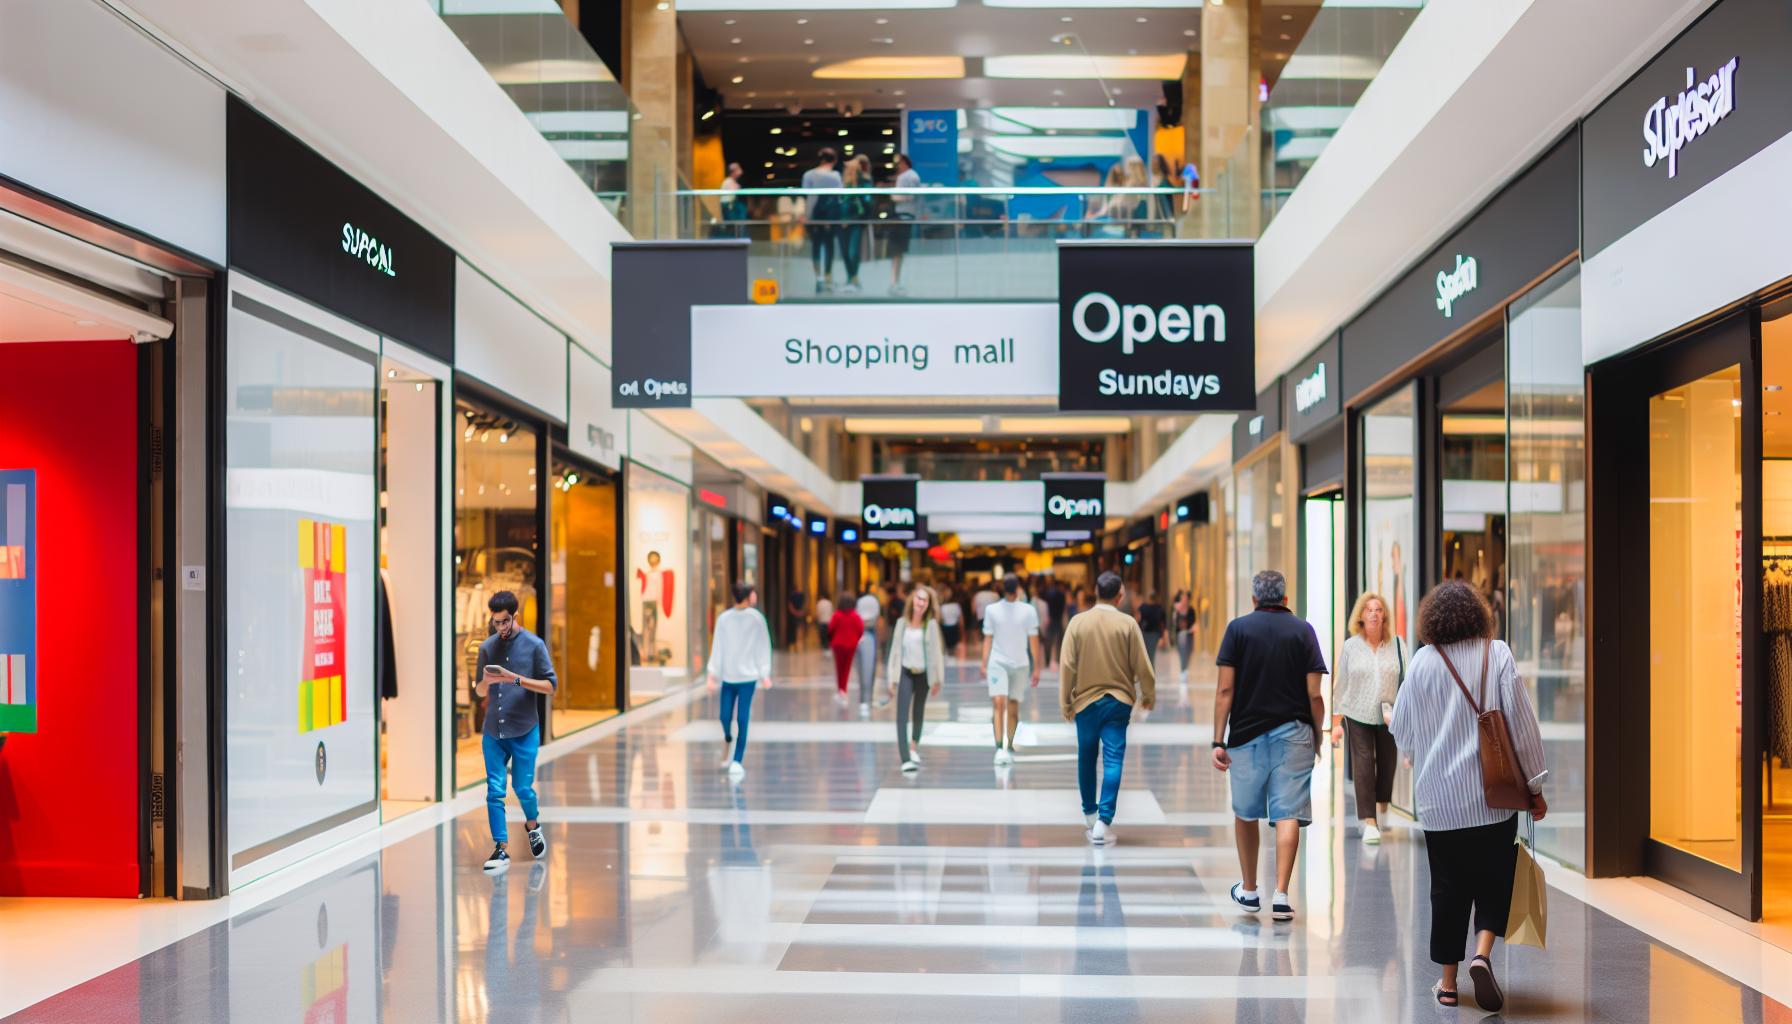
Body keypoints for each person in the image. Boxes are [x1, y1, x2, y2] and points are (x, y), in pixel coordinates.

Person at [1391, 581, 1547, 1012]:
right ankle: (1482, 955)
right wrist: (1534, 785)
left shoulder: (1423, 662)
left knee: (1447, 889)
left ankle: (1447, 984)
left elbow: (1401, 731)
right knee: (1494, 881)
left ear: (1433, 620)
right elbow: (1521, 724)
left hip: (1439, 803)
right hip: (1494, 798)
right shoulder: (1497, 654)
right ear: (1479, 614)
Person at [1211, 570, 1327, 922]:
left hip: (1246, 737)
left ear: (1254, 599)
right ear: (1286, 599)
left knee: (1246, 812)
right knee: (1287, 812)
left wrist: (1218, 739)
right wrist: (1317, 733)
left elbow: (1225, 690)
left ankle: (1249, 890)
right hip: (1294, 733)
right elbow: (1314, 693)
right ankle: (1280, 895)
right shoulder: (1304, 631)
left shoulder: (1238, 629)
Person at [1059, 572, 1155, 846]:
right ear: (1120, 595)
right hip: (1118, 702)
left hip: (1085, 702)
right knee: (1114, 759)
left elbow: (1067, 665)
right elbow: (1142, 664)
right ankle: (1104, 821)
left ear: (1094, 591)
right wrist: (1148, 695)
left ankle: (1090, 814)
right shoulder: (1127, 624)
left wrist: (1065, 702)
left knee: (1086, 757)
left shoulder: (1078, 623)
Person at [474, 591, 558, 871]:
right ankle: (500, 848)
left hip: (524, 729)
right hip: (493, 732)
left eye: (505, 621)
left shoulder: (534, 645)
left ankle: (533, 825)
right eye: (496, 622)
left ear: (515, 616)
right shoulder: (487, 647)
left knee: (522, 787)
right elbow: (479, 691)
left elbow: (550, 686)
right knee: (494, 790)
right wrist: (485, 682)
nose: (501, 628)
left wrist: (515, 680)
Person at [1330, 592, 1409, 845]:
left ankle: (1383, 803)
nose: (1373, 613)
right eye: (1368, 610)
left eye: (1378, 609)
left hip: (1389, 713)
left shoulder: (1398, 644)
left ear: (1384, 615)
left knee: (1387, 763)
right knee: (1363, 763)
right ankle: (1369, 821)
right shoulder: (1352, 646)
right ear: (1361, 616)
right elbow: (1341, 684)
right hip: (1357, 712)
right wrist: (1335, 722)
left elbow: (1407, 682)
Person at [706, 582, 774, 780]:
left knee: (743, 718)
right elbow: (718, 646)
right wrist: (713, 674)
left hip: (748, 677)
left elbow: (763, 646)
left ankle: (737, 759)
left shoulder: (756, 619)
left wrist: (764, 673)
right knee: (724, 716)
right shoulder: (724, 619)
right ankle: (728, 737)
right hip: (728, 675)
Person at [983, 575, 1043, 766]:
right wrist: (984, 663)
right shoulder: (992, 610)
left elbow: (1034, 639)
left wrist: (1037, 667)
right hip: (998, 663)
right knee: (999, 703)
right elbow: (988, 637)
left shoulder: (1028, 611)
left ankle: (1007, 745)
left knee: (1013, 705)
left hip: (1020, 664)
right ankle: (999, 746)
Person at [886, 585, 944, 773]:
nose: (921, 603)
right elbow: (894, 651)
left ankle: (913, 747)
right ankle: (905, 758)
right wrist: (891, 678)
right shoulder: (902, 623)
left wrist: (938, 679)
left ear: (928, 605)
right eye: (918, 599)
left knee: (918, 711)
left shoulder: (931, 625)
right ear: (912, 600)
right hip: (905, 672)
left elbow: (937, 653)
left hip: (924, 674)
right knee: (902, 714)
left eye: (925, 600)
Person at [801, 148, 844, 294]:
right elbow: (840, 197)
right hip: (831, 215)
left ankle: (818, 278)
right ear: (834, 160)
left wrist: (806, 215)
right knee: (829, 245)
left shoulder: (809, 175)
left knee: (816, 245)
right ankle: (827, 277)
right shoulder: (835, 176)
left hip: (814, 214)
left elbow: (806, 197)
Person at [838, 154, 872, 294]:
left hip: (856, 220)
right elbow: (840, 201)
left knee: (853, 251)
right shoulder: (843, 183)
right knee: (845, 252)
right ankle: (850, 278)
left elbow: (866, 200)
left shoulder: (863, 180)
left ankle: (854, 278)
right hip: (842, 220)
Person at [827, 591, 865, 711]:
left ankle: (840, 690)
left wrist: (832, 638)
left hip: (838, 645)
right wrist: (856, 638)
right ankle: (844, 690)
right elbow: (861, 628)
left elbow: (831, 628)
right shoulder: (855, 616)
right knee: (847, 668)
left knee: (839, 668)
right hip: (851, 645)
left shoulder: (837, 615)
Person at [888, 153, 920, 296]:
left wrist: (894, 196)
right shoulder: (911, 176)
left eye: (899, 163)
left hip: (903, 216)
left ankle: (896, 282)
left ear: (904, 163)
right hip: (906, 216)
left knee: (897, 250)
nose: (897, 166)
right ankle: (895, 281)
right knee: (898, 251)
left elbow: (910, 196)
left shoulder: (907, 176)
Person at [855, 588, 885, 709]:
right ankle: (867, 698)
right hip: (866, 635)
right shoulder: (873, 603)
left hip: (865, 635)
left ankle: (865, 698)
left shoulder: (862, 604)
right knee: (868, 667)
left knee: (865, 668)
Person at [1136, 591, 1166, 669]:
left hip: (1144, 633)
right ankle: (1150, 673)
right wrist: (1163, 637)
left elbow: (1138, 619)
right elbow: (1162, 624)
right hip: (1155, 634)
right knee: (1151, 655)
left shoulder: (1143, 607)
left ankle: (1149, 673)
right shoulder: (1159, 608)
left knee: (1145, 655)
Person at [1172, 590, 1196, 682]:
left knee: (1188, 653)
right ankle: (1183, 670)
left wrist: (1192, 628)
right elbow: (1174, 623)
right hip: (1180, 635)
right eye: (1183, 598)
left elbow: (1193, 621)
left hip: (1189, 634)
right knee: (1182, 653)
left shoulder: (1191, 610)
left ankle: (1185, 669)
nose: (1184, 600)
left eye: (1186, 599)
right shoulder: (1177, 610)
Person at [1043, 578, 1068, 666]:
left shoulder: (1049, 594)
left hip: (1051, 619)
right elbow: (1064, 608)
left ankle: (1049, 661)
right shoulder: (1061, 595)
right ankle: (1056, 660)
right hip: (1058, 619)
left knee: (1050, 640)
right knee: (1058, 641)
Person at [939, 589, 964, 655]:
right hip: (954, 629)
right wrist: (962, 634)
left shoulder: (941, 607)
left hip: (945, 629)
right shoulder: (956, 606)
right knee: (953, 649)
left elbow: (940, 619)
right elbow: (961, 621)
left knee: (945, 649)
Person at [786, 587, 808, 653]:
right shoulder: (800, 595)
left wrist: (796, 612)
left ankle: (796, 645)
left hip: (796, 615)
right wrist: (800, 612)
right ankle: (796, 645)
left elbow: (790, 605)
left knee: (798, 630)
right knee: (796, 630)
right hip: (797, 615)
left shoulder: (796, 596)